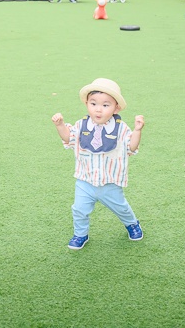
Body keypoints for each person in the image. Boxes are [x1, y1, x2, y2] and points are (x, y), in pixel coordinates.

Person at [51, 78, 145, 250]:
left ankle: (132, 224)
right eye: (93, 103)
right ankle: (80, 234)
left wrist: (137, 130)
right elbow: (69, 138)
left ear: (116, 108)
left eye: (105, 105)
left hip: (109, 182)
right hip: (85, 181)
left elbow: (131, 147)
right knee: (79, 210)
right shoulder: (81, 125)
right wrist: (60, 126)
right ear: (87, 104)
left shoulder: (121, 128)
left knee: (121, 208)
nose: (98, 109)